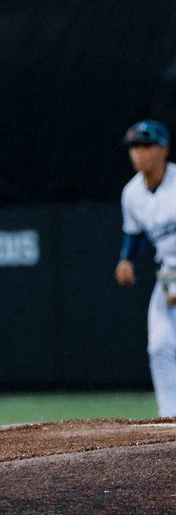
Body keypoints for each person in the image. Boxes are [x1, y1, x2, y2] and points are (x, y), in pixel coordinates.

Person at [115, 119, 176, 418]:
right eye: (134, 147)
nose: (138, 153)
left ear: (164, 149)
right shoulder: (132, 194)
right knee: (160, 346)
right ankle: (169, 420)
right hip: (170, 273)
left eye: (146, 145)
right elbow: (135, 232)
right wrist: (126, 259)